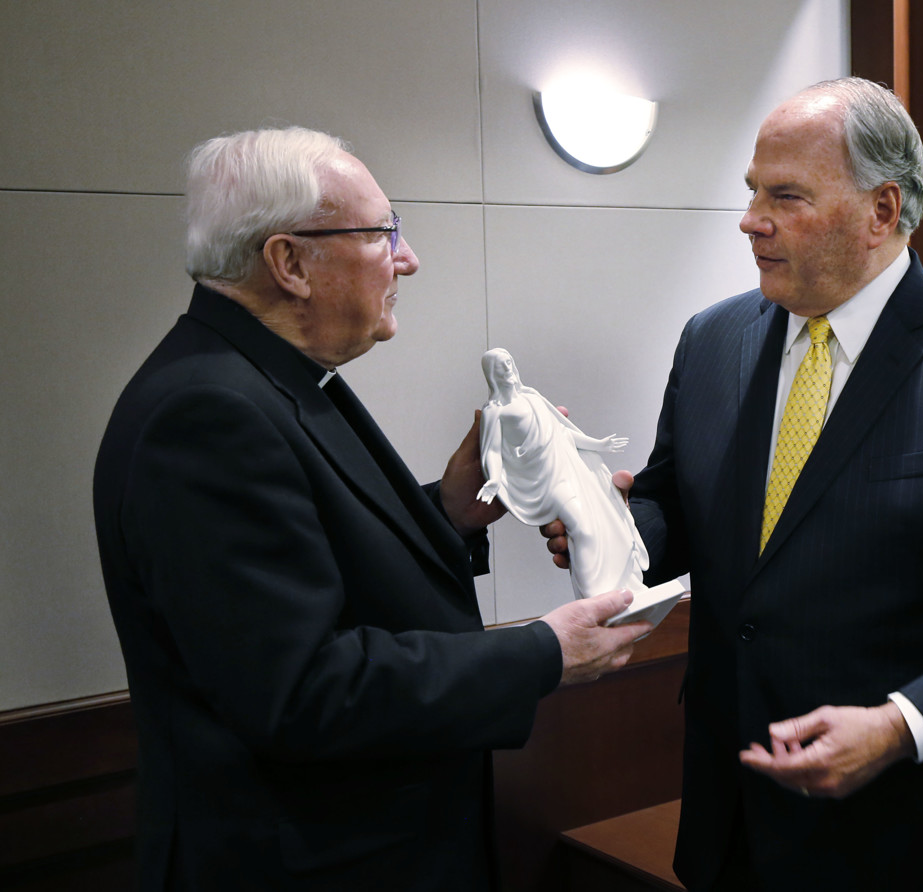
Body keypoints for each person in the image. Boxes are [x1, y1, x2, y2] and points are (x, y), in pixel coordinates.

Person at [542, 78, 923, 890]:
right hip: (731, 820)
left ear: (881, 212)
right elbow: (675, 505)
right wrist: (611, 523)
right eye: (752, 191)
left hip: (915, 835)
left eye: (785, 195)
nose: (751, 219)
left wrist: (899, 726)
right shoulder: (712, 341)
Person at [92, 126, 649, 892]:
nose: (407, 257)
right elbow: (300, 691)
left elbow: (308, 559)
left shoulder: (262, 378)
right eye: (382, 232)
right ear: (289, 263)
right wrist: (542, 653)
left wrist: (451, 510)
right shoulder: (208, 413)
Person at [477, 347, 649, 599]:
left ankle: (621, 588)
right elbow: (492, 449)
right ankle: (595, 599)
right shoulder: (494, 412)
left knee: (603, 523)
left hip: (569, 467)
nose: (507, 368)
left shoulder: (533, 397)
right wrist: (493, 478)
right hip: (546, 480)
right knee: (583, 530)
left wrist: (597, 444)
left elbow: (563, 433)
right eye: (500, 365)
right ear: (491, 373)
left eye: (509, 362)